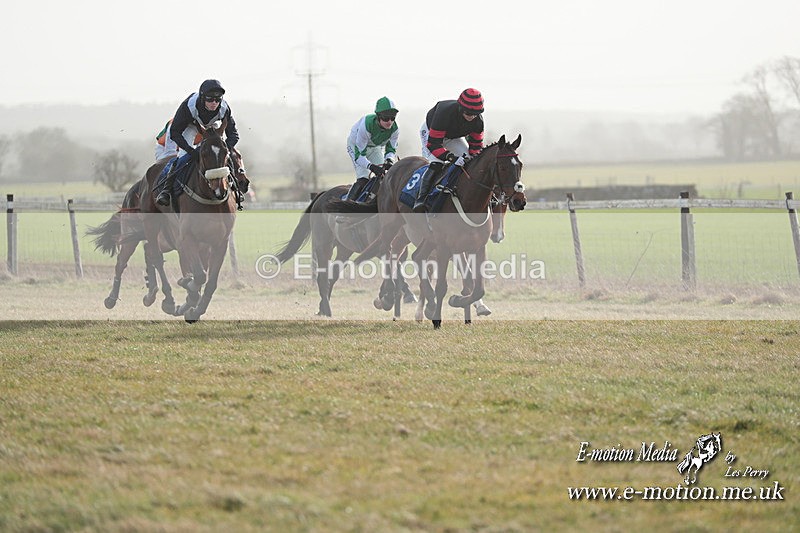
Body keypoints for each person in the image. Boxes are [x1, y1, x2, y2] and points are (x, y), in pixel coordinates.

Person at [155, 79, 240, 206]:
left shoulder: (224, 108)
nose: (214, 103)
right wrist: (191, 151)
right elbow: (175, 132)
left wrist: (224, 150)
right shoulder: (188, 107)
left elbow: (234, 135)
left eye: (217, 100)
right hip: (191, 125)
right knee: (183, 157)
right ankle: (166, 190)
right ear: (202, 98)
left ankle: (236, 189)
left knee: (224, 156)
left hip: (213, 124)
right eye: (210, 99)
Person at [413, 88, 485, 212]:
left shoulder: (478, 122)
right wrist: (450, 157)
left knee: (469, 161)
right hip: (431, 134)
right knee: (436, 164)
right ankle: (421, 199)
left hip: (453, 137)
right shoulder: (444, 113)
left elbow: (476, 148)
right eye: (468, 113)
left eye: (475, 114)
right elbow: (434, 145)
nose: (472, 117)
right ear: (461, 109)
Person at [344, 96, 399, 202]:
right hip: (356, 147)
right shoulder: (366, 125)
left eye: (393, 118)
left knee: (384, 175)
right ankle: (345, 210)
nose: (389, 122)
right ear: (378, 117)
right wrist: (371, 166)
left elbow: (391, 150)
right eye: (386, 118)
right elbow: (359, 155)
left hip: (374, 147)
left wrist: (389, 160)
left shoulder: (395, 129)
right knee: (364, 177)